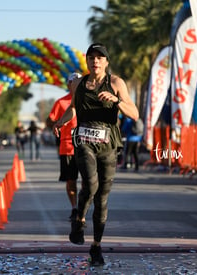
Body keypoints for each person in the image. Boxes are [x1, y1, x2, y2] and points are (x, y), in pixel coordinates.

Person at [53, 43, 139, 266]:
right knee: (90, 185)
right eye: (91, 57)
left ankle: (96, 247)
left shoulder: (117, 83)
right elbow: (73, 107)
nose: (95, 61)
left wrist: (117, 101)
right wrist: (61, 122)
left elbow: (135, 114)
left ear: (106, 62)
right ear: (87, 62)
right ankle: (79, 220)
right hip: (84, 141)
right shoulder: (80, 83)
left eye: (100, 58)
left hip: (108, 145)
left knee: (102, 198)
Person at [47, 72, 82, 221]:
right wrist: (56, 126)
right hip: (67, 147)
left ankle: (83, 207)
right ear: (68, 84)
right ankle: (75, 208)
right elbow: (50, 119)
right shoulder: (61, 102)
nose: (75, 84)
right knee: (71, 181)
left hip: (86, 146)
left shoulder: (87, 100)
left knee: (89, 182)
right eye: (72, 81)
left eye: (78, 81)